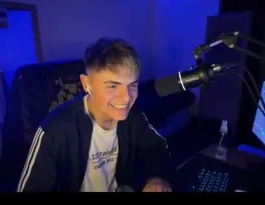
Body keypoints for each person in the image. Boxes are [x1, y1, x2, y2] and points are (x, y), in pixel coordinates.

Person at [18, 37, 173, 192]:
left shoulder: (133, 117)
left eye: (132, 85)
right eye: (113, 86)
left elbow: (156, 148)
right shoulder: (54, 131)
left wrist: (156, 177)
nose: (126, 98)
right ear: (87, 84)